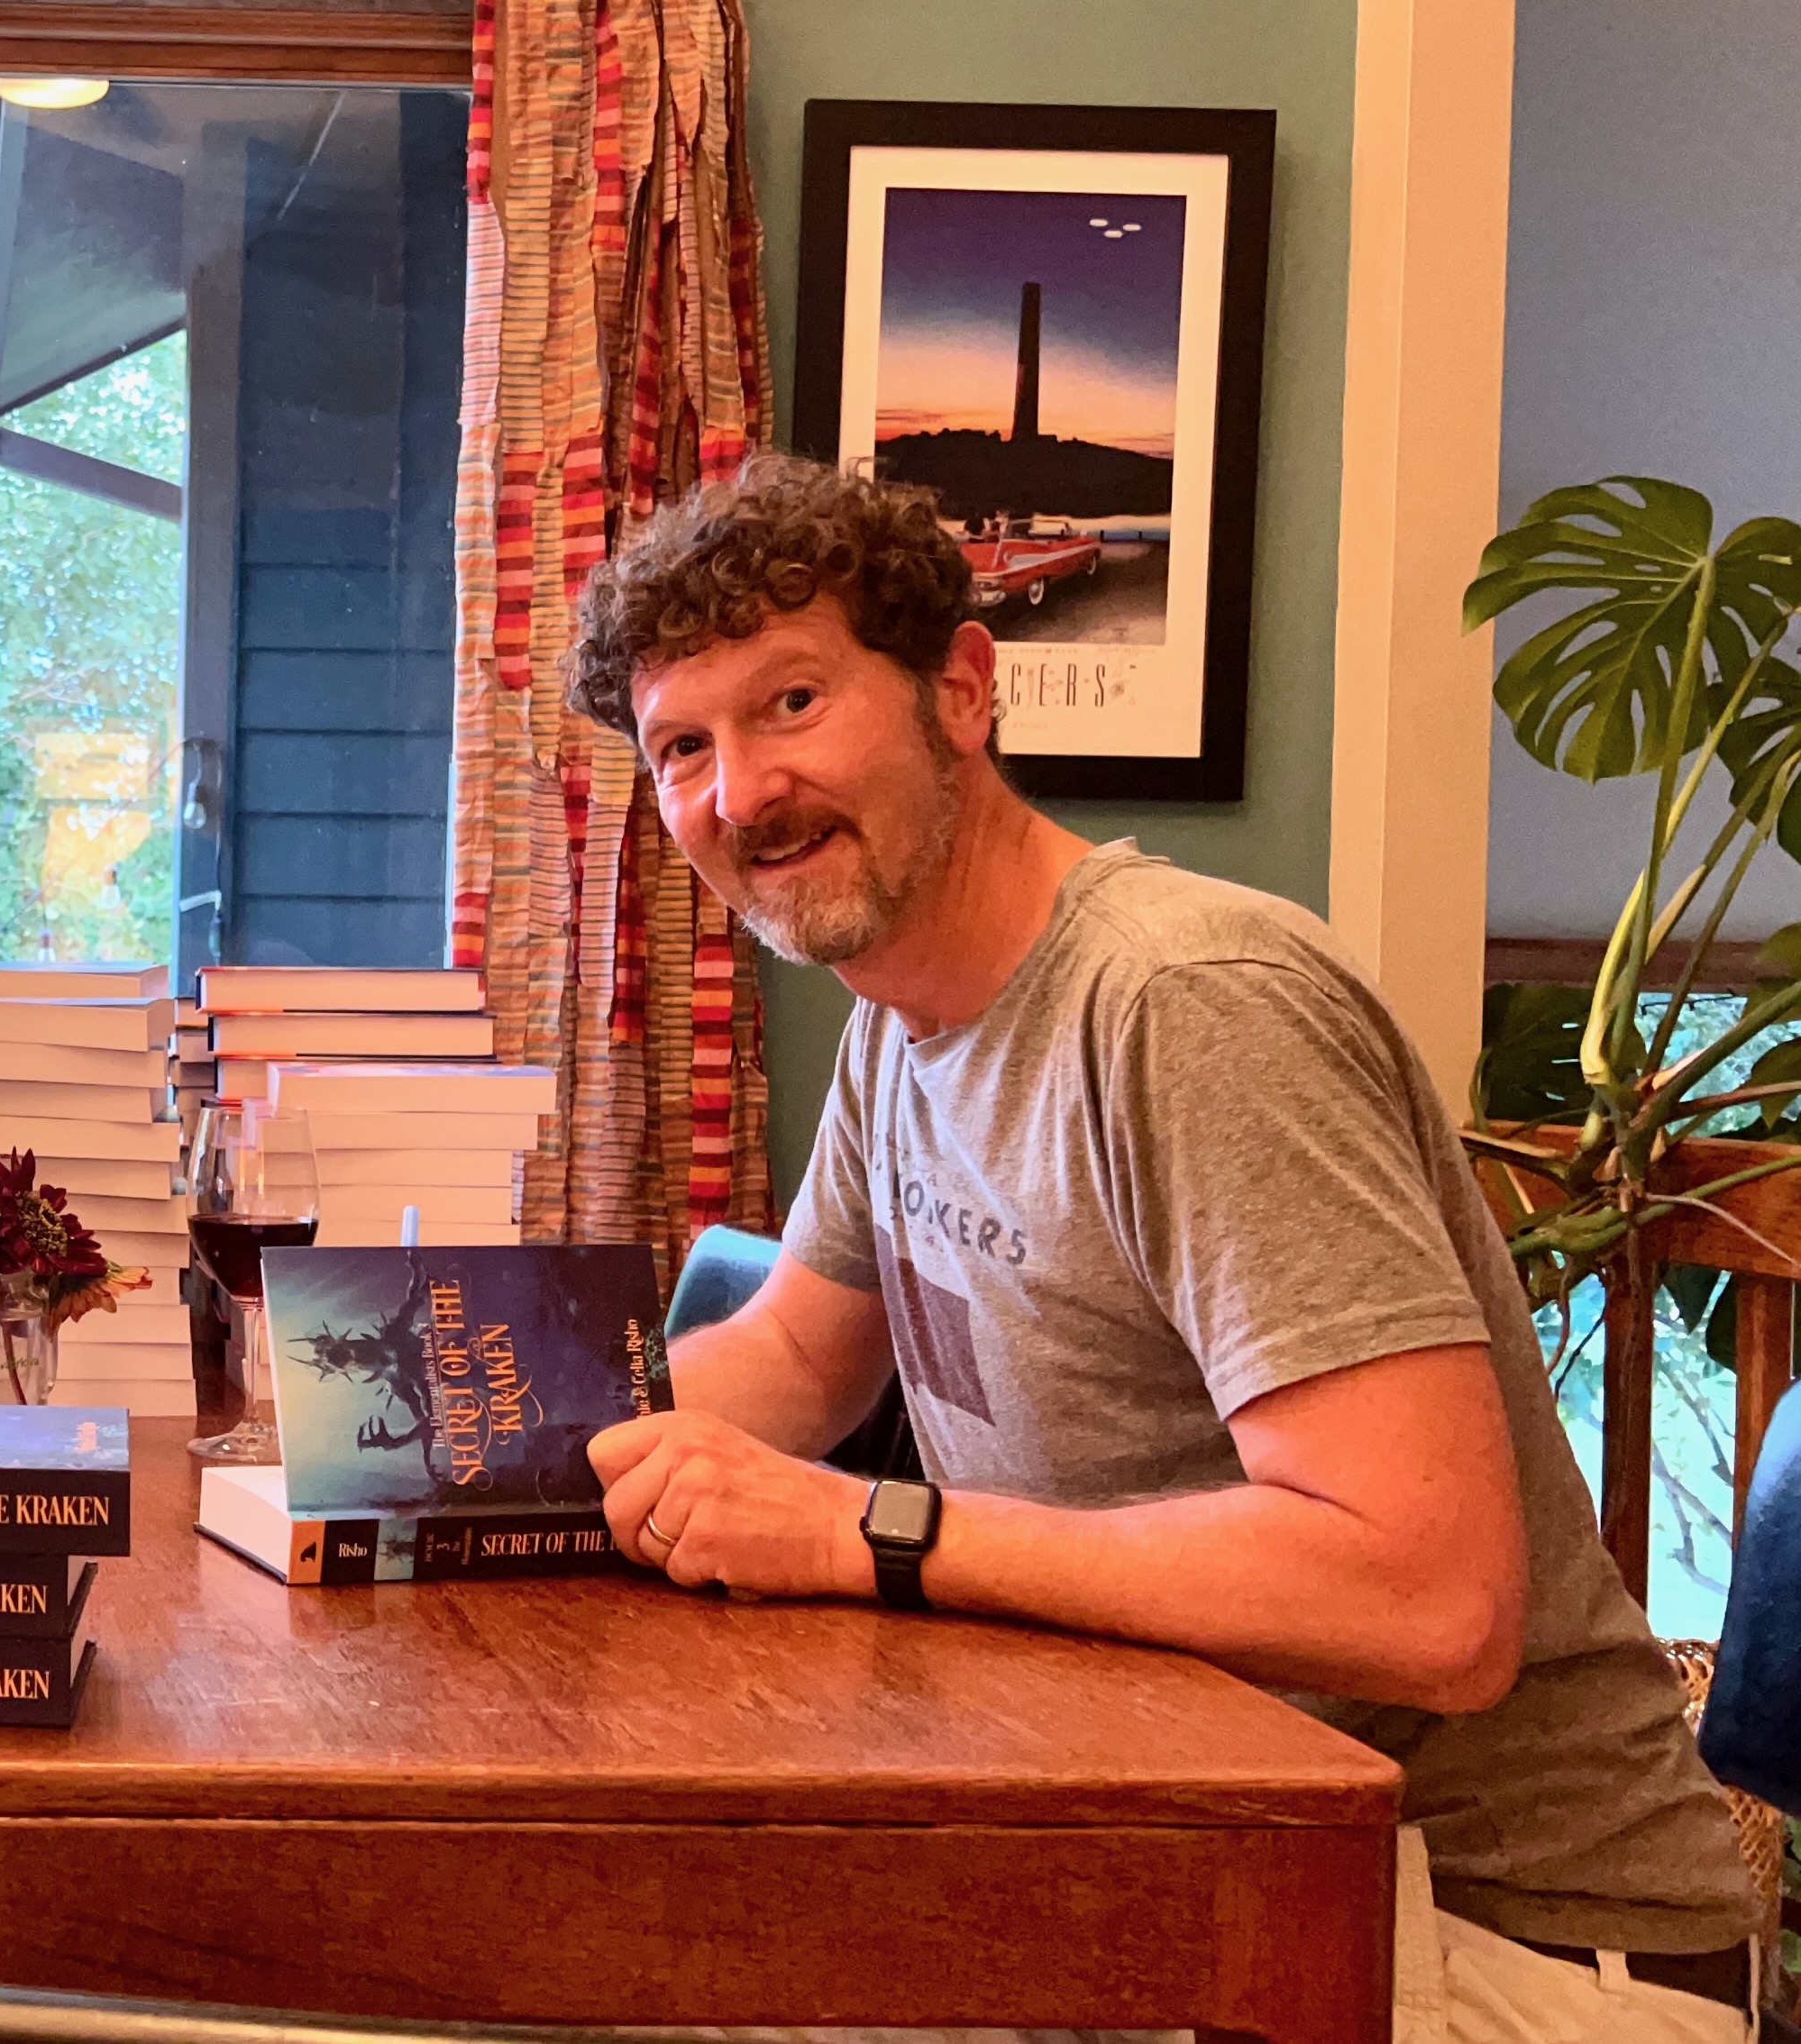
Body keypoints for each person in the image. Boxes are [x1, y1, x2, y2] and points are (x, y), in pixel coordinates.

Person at [570, 456, 1761, 2043]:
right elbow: (795, 1356)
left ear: (962, 690)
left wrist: (881, 1532)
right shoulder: (905, 1021)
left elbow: (1433, 1601)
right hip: (1190, 1858)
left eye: (791, 703)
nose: (740, 794)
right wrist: (475, 1468)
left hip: (1498, 1940)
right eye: (683, 749)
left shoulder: (1184, 1005)